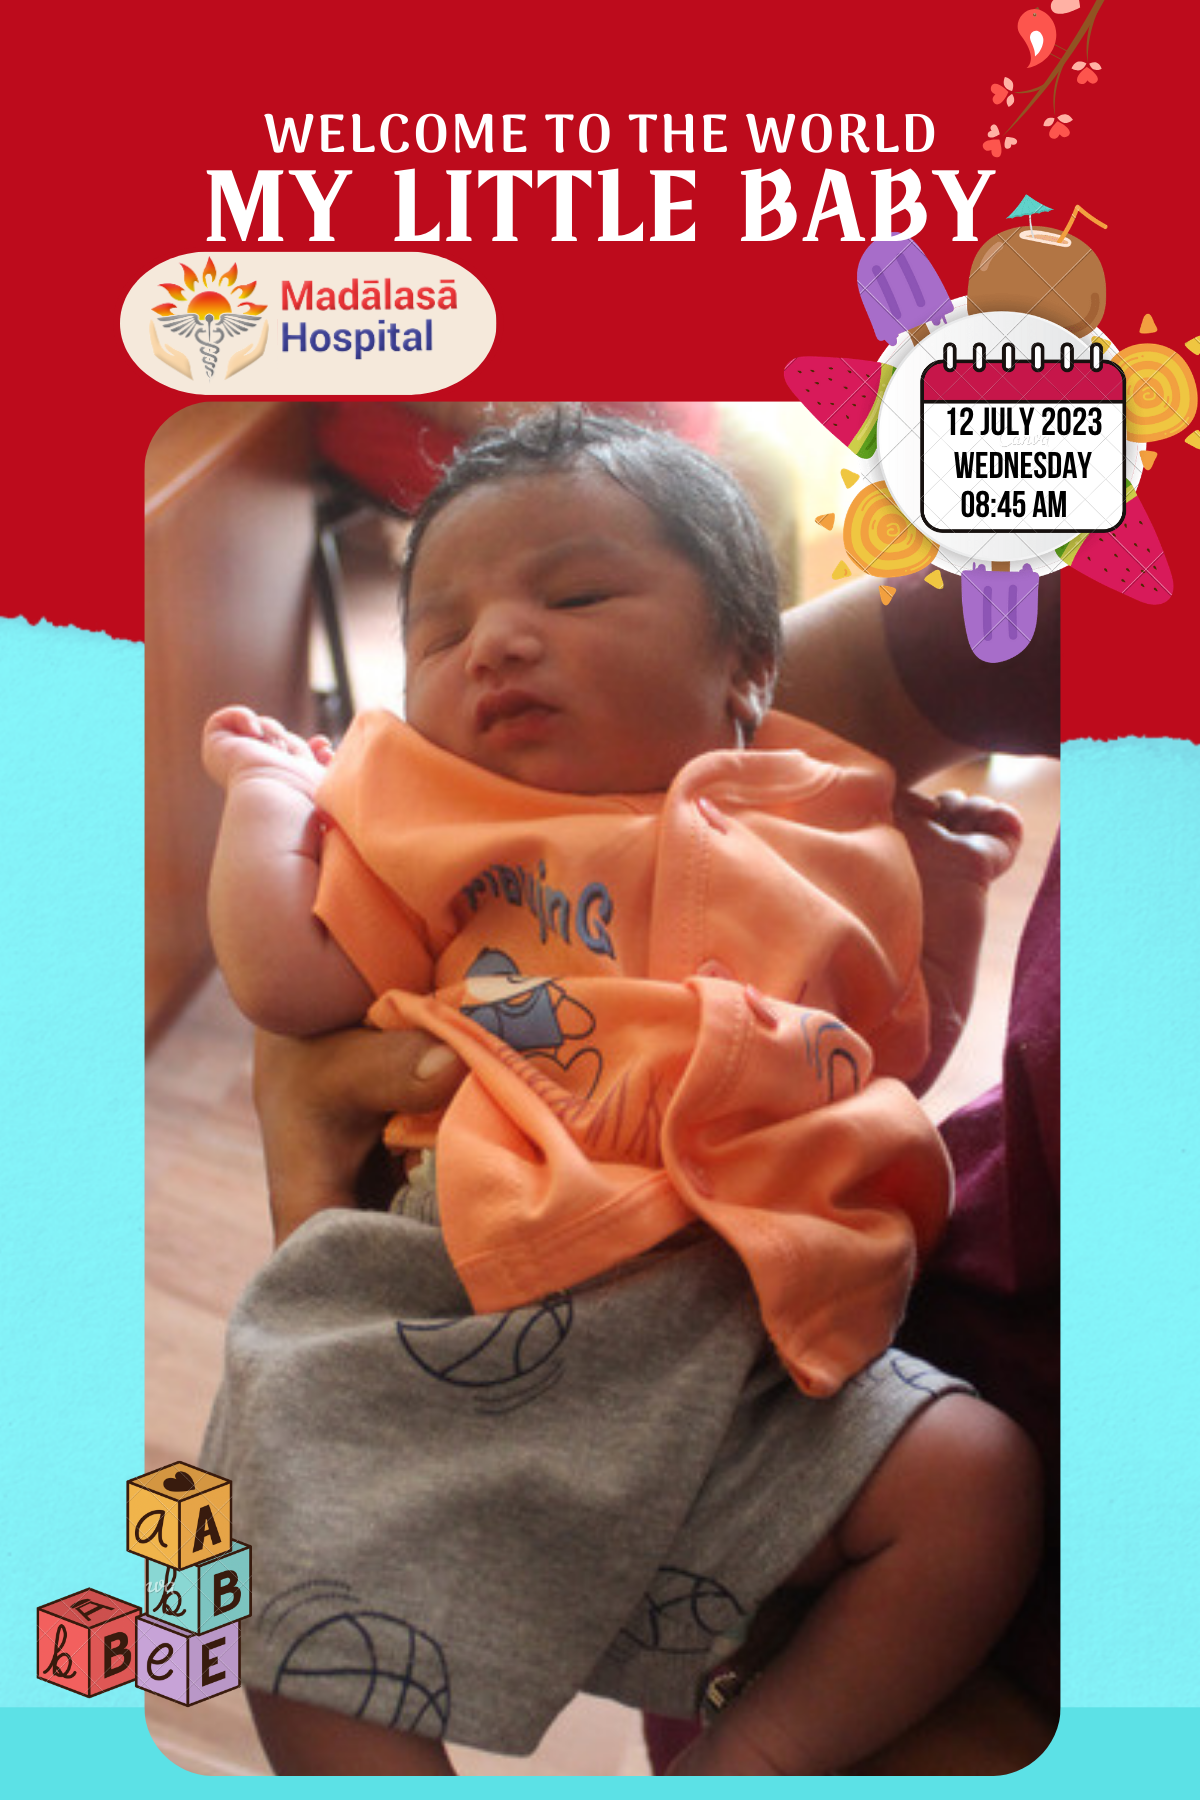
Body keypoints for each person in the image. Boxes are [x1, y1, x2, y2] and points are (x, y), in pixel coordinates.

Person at [201, 410, 1039, 1776]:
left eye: (578, 596)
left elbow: (883, 1054)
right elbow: (289, 985)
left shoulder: (829, 816)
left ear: (747, 666)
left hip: (758, 1324)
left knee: (978, 1484)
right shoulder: (431, 813)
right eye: (441, 631)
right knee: (262, 1519)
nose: (496, 642)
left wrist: (942, 900)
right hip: (474, 1275)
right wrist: (266, 799)